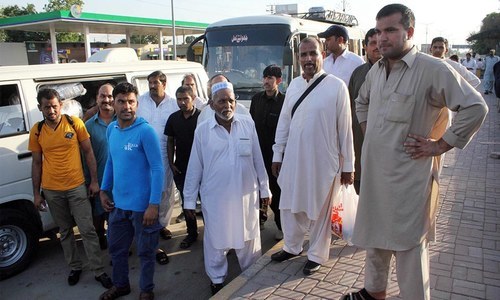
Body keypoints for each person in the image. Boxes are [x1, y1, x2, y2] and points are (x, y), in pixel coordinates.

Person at [345, 4, 488, 300]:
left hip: (409, 183)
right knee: (376, 246)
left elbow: (476, 107)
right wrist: (372, 132)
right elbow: (361, 102)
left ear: (409, 32)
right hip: (376, 181)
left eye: (391, 31)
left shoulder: (432, 69)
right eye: (379, 32)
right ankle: (374, 294)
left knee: (410, 253)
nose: (382, 38)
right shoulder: (376, 71)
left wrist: (440, 144)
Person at [270, 37, 355, 276]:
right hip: (295, 159)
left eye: (313, 54)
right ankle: (292, 246)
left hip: (324, 161)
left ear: (323, 54)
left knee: (320, 210)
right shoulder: (294, 86)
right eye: (304, 55)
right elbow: (284, 122)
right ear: (299, 58)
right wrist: (278, 153)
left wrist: (348, 165)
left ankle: (316, 254)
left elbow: (345, 129)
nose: (308, 59)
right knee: (289, 205)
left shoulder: (337, 86)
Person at [183, 81, 271, 295]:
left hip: (245, 196)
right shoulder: (203, 131)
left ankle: (251, 275)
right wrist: (188, 200)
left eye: (231, 100)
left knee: (248, 237)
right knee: (216, 241)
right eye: (222, 101)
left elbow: (258, 158)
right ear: (212, 104)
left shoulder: (247, 124)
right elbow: (195, 167)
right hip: (216, 199)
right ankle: (217, 280)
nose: (227, 105)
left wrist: (265, 189)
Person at [29, 88, 112, 288]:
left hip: (76, 187)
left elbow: (89, 152)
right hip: (52, 190)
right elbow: (37, 163)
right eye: (47, 107)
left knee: (87, 230)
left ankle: (98, 270)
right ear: (40, 108)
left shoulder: (75, 124)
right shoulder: (37, 130)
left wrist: (93, 181)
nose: (51, 111)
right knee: (65, 231)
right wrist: (36, 194)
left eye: (54, 106)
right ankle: (75, 266)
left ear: (61, 106)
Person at [99, 82, 164, 300]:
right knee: (116, 251)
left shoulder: (146, 132)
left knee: (146, 253)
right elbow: (111, 161)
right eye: (121, 101)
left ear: (137, 103)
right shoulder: (112, 129)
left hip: (143, 209)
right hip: (118, 206)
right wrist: (103, 189)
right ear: (113, 104)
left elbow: (157, 169)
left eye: (131, 101)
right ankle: (121, 285)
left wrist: (153, 204)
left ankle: (146, 290)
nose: (127, 106)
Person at [137, 70, 178, 264]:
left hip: (164, 155)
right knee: (147, 193)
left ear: (164, 83)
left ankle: (162, 224)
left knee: (165, 192)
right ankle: (150, 227)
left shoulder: (172, 103)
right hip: (142, 157)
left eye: (156, 83)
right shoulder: (140, 101)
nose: (152, 86)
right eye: (150, 83)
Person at [249, 64, 285, 240]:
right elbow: (250, 126)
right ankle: (260, 220)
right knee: (255, 190)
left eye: (270, 78)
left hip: (275, 157)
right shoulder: (256, 100)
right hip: (256, 154)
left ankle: (281, 226)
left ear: (279, 80)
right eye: (264, 77)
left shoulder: (284, 102)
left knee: (276, 192)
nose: (266, 81)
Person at [164, 86, 201, 249]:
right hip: (182, 169)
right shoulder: (173, 118)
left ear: (193, 98)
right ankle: (191, 233)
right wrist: (171, 163)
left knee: (207, 203)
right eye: (179, 99)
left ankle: (213, 235)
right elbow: (170, 140)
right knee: (188, 204)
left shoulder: (202, 117)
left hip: (203, 169)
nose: (182, 102)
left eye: (185, 98)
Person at [347, 28, 381, 194]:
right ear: (365, 47)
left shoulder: (396, 72)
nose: (377, 47)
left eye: (379, 42)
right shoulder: (358, 73)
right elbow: (349, 106)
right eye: (372, 43)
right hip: (359, 142)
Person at [84, 83, 116, 250]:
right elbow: (86, 157)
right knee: (98, 214)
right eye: (102, 96)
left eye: (110, 96)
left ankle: (116, 245)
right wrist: (92, 181)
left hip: (119, 181)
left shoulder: (124, 121)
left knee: (117, 218)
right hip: (99, 179)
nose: (106, 100)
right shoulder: (89, 125)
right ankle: (100, 236)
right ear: (96, 99)